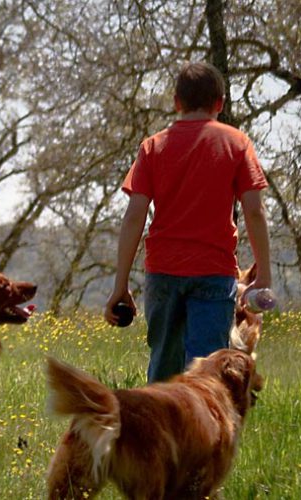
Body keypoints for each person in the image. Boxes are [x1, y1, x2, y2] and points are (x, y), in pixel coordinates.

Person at [103, 61, 272, 384]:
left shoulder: (152, 147)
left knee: (164, 369)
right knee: (206, 376)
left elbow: (134, 215)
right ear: (220, 104)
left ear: (176, 101)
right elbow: (254, 211)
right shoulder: (237, 143)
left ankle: (159, 432)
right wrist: (263, 273)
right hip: (214, 271)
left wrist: (120, 284)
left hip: (163, 273)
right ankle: (201, 434)